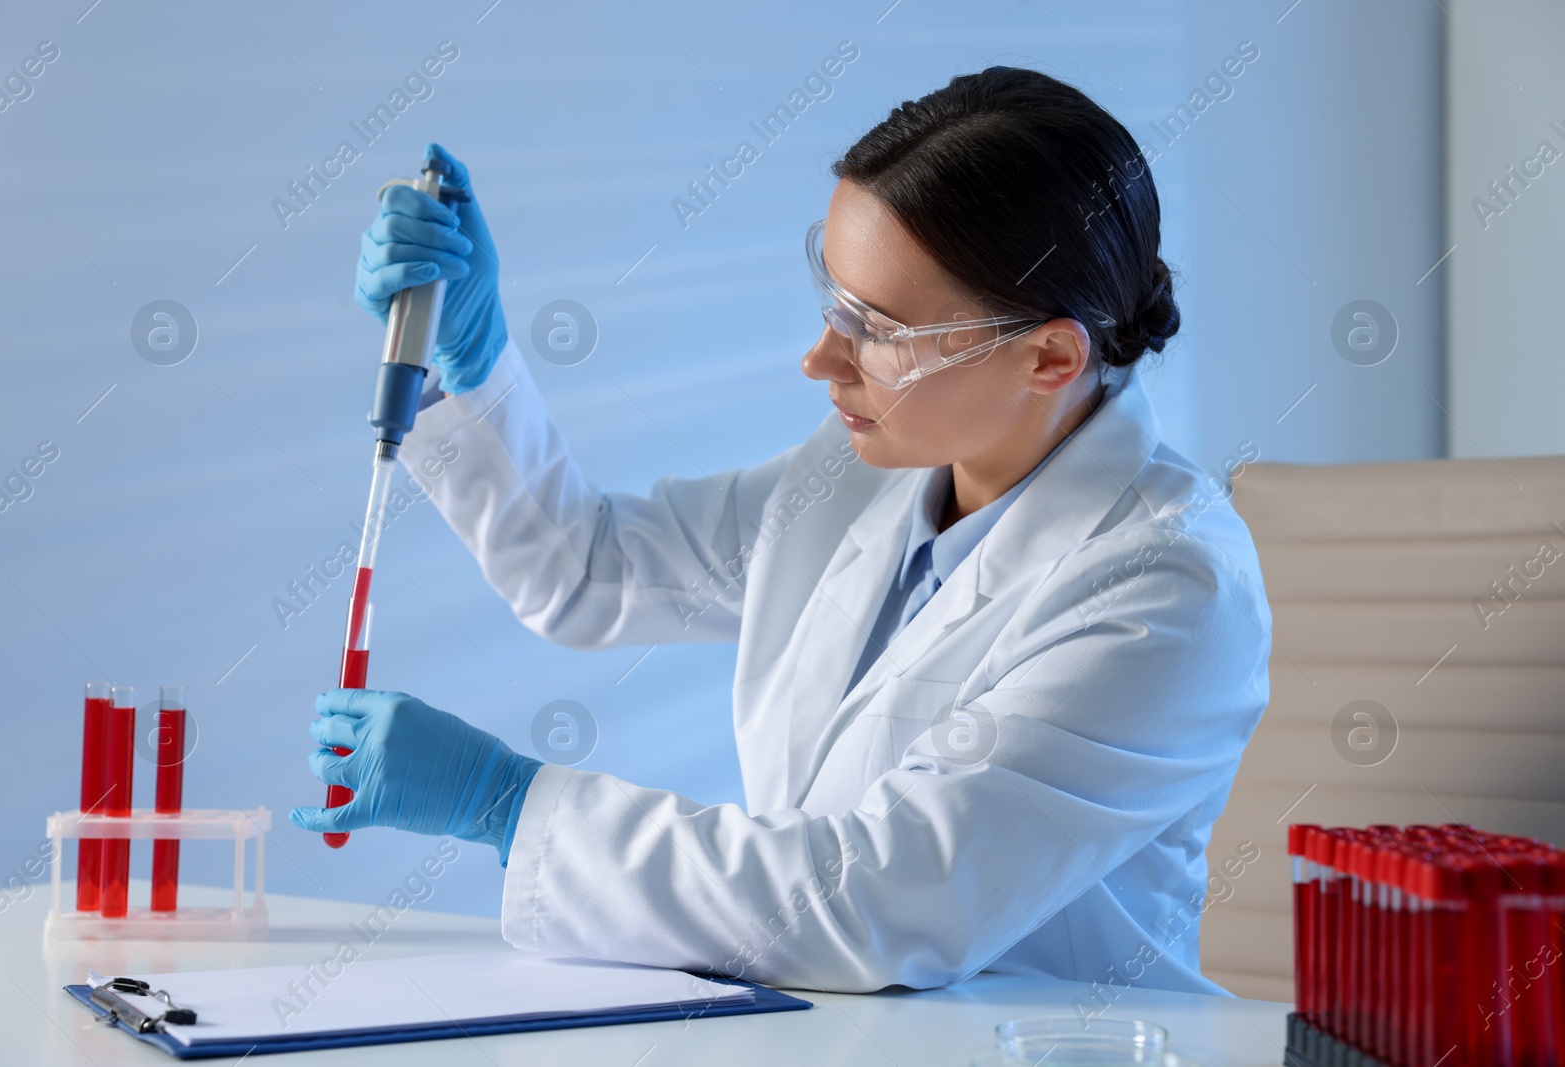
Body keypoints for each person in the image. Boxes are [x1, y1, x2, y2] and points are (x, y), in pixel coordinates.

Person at [291, 65, 1272, 996]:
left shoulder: (1165, 586)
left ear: (1051, 356)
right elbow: (592, 572)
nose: (820, 358)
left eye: (879, 329)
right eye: (833, 299)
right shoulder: (857, 474)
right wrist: (473, 355)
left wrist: (507, 805)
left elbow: (883, 898)